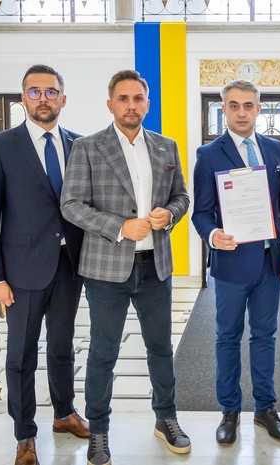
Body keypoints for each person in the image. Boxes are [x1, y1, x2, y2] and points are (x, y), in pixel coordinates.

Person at [60, 69, 191, 465]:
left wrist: (169, 214)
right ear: (110, 104)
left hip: (155, 267)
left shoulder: (166, 146)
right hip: (106, 271)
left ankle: (165, 418)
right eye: (123, 99)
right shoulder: (87, 147)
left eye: (138, 98)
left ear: (147, 104)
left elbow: (182, 197)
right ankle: (99, 431)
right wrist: (120, 227)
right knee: (103, 353)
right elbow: (71, 205)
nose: (131, 106)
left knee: (160, 349)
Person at [0, 64, 90, 465]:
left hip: (70, 266)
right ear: (24, 97)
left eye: (51, 91)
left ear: (63, 98)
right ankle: (25, 434)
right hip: (20, 272)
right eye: (35, 91)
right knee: (21, 355)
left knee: (62, 347)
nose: (43, 98)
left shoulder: (79, 145)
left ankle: (64, 413)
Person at [191, 80, 280, 445]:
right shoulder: (209, 154)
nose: (241, 112)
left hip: (269, 262)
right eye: (233, 106)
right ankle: (229, 410)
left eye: (248, 105)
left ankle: (265, 408)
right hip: (232, 262)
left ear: (259, 109)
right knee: (228, 337)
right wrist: (212, 234)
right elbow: (201, 212)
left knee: (265, 335)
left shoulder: (275, 150)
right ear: (224, 110)